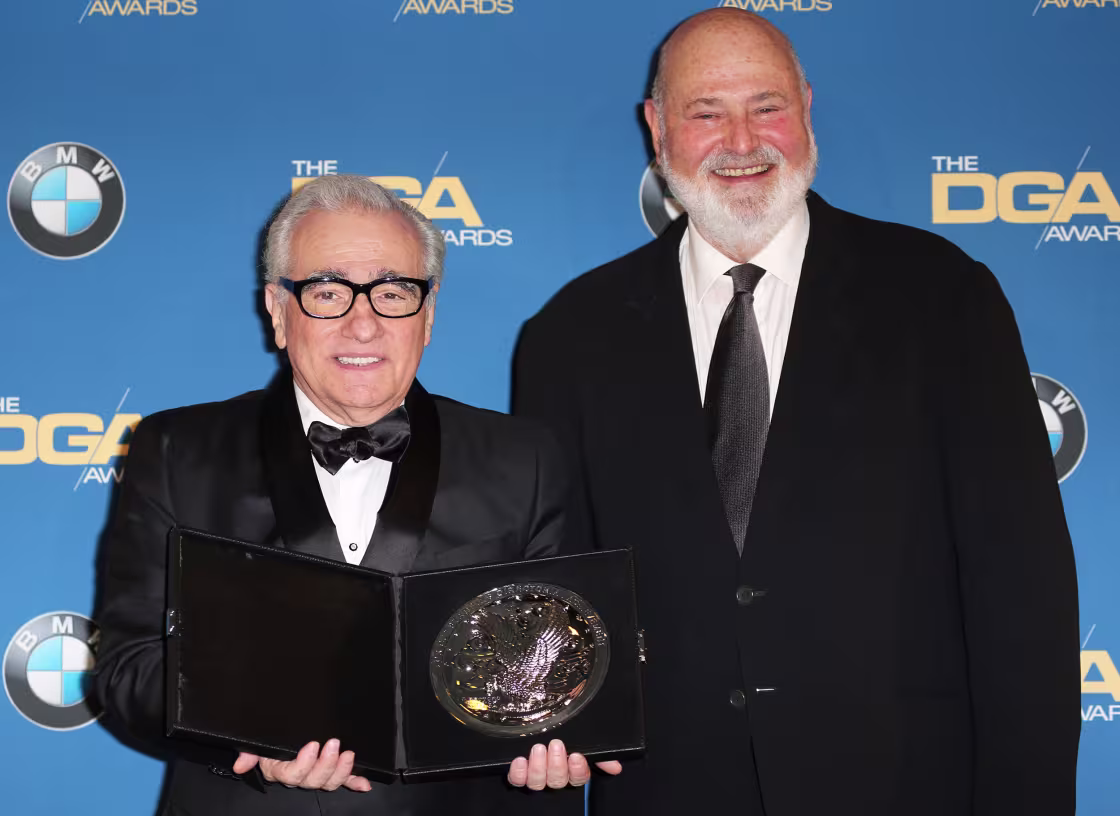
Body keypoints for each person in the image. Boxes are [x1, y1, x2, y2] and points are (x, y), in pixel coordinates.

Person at [513, 9, 1080, 815]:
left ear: (806, 110)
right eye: (706, 112)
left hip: (903, 788)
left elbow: (1022, 585)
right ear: (658, 128)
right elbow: (552, 594)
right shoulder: (570, 334)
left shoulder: (943, 297)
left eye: (766, 106)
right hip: (669, 793)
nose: (741, 141)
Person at [92, 175, 584, 814]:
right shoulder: (175, 451)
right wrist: (247, 736)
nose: (363, 324)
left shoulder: (527, 458)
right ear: (278, 310)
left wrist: (560, 732)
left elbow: (565, 662)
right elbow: (127, 667)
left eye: (393, 293)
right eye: (328, 293)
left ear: (428, 313)